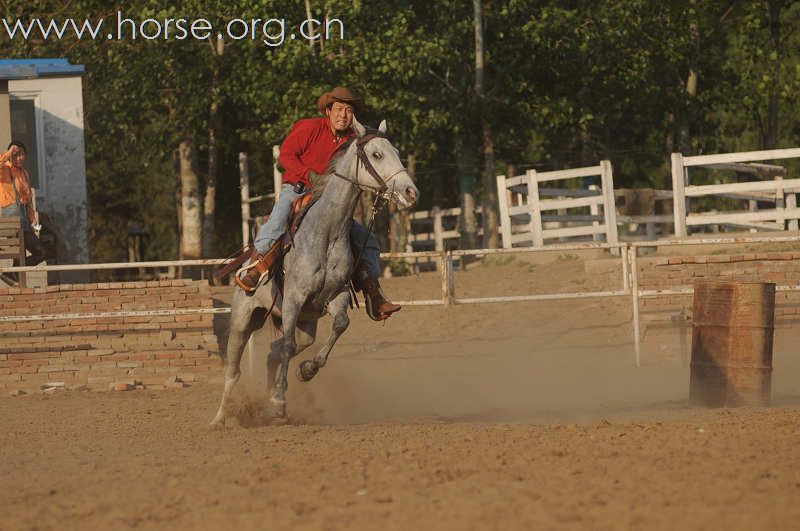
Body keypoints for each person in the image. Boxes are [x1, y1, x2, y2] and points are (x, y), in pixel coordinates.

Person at [235, 87, 401, 321]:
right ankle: (257, 267)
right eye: (339, 109)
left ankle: (373, 293)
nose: (344, 115)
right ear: (328, 110)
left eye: (349, 110)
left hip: (329, 202)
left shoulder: (354, 141)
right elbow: (285, 156)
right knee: (278, 221)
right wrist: (308, 175)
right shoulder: (309, 127)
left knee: (367, 240)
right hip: (298, 189)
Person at [0, 141, 45, 266]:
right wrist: (9, 152)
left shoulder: (25, 173)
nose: (19, 158)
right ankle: (13, 276)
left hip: (24, 218)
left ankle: (12, 276)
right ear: (10, 156)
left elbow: (28, 200)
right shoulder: (5, 169)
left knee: (38, 253)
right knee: (25, 252)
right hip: (12, 217)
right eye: (15, 155)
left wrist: (33, 221)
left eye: (21, 154)